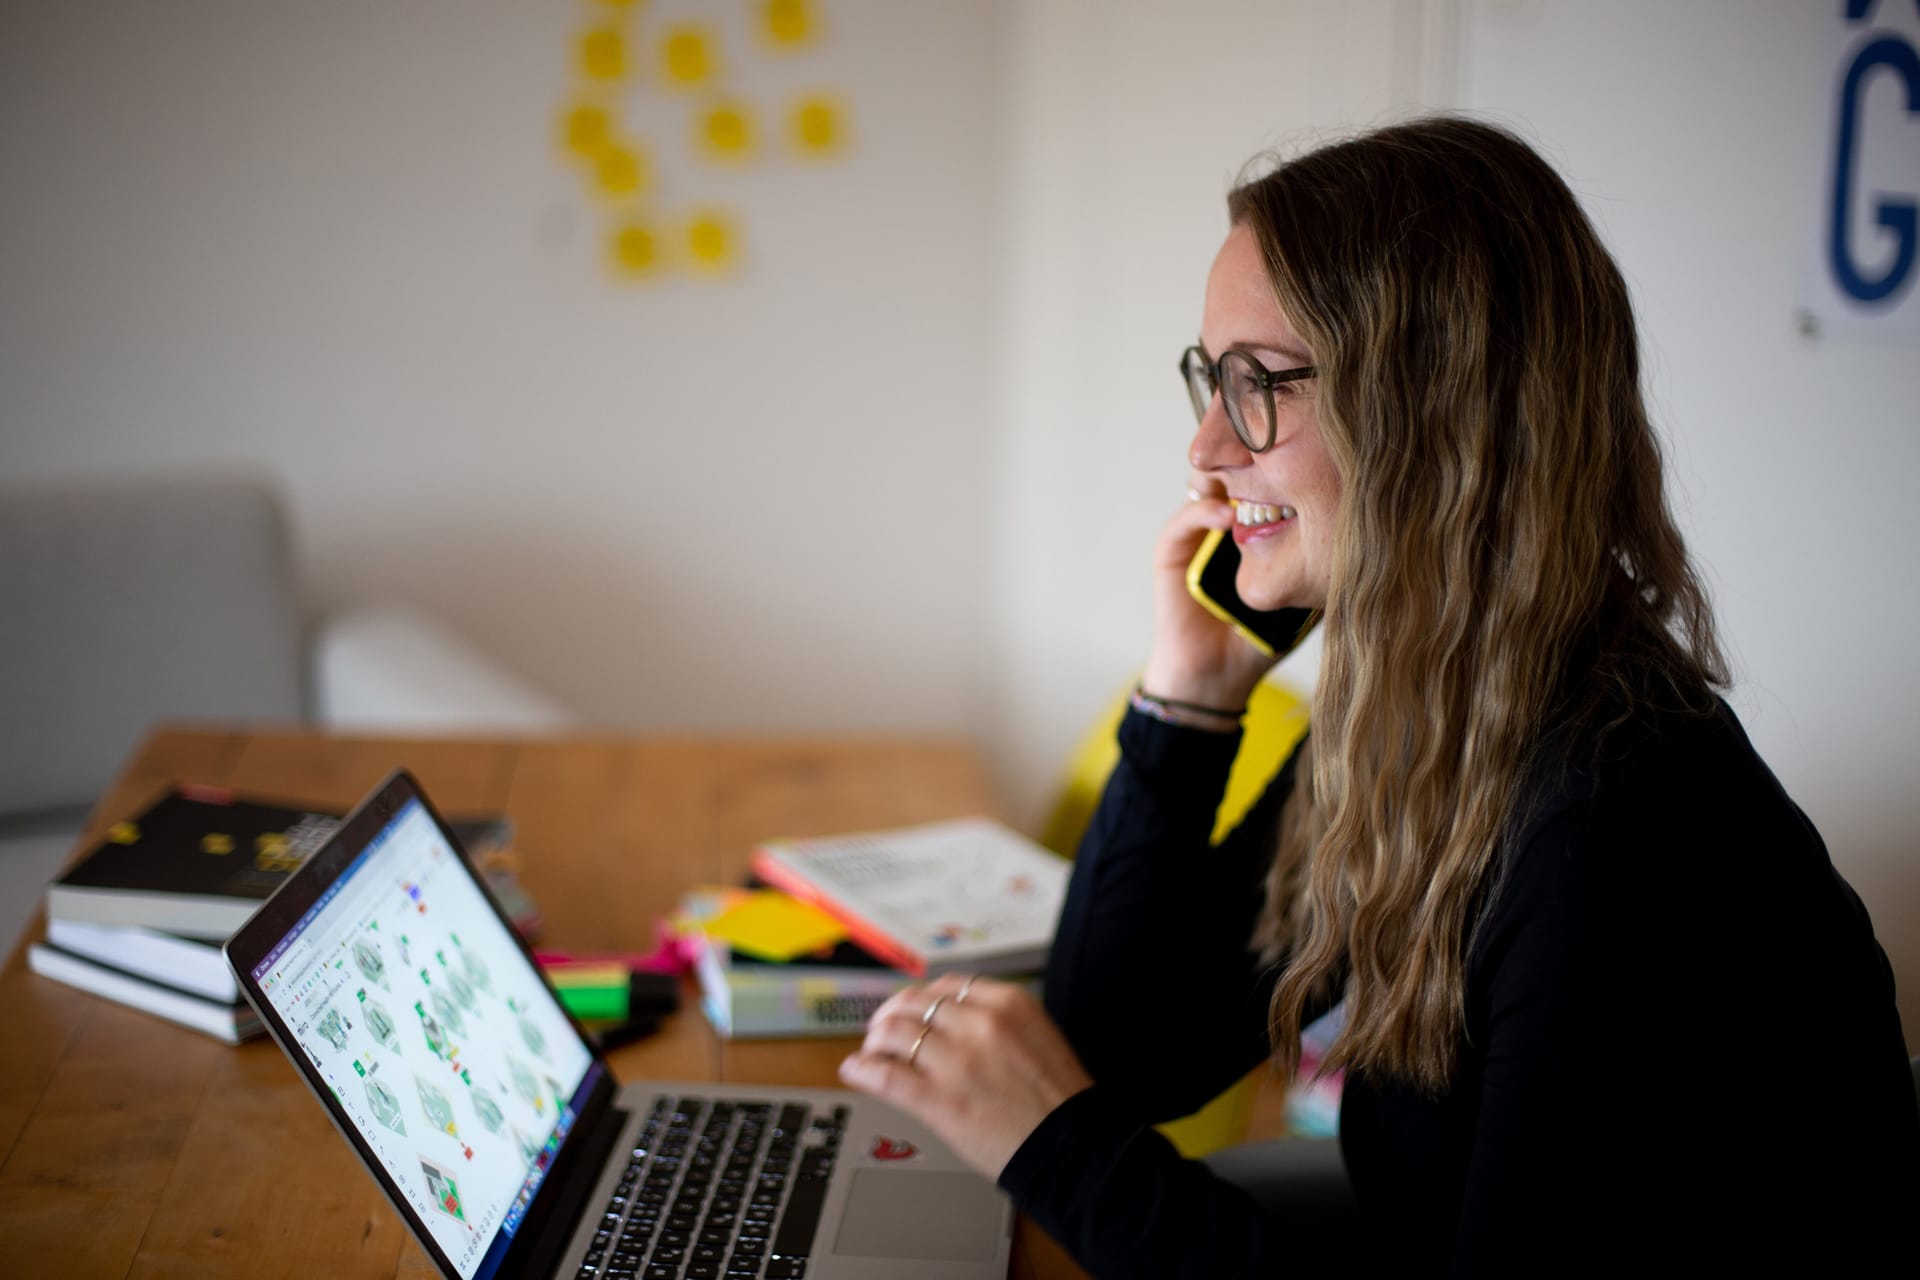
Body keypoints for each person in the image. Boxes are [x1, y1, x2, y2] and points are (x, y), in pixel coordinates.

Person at [838, 117, 1920, 1276]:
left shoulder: (1607, 820)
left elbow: (1086, 1106)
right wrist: (1190, 697)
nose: (1206, 447)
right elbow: (1128, 1051)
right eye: (1212, 377)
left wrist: (1059, 1144)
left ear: (1433, 408)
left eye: (1259, 384)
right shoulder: (1430, 713)